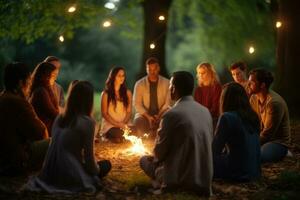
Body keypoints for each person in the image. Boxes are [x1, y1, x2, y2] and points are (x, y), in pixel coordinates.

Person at [25, 81, 111, 194]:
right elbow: (89, 158)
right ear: (88, 100)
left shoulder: (60, 118)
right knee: (106, 165)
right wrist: (96, 170)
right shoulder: (87, 122)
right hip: (70, 171)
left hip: (51, 170)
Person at [140, 71, 213, 196]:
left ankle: (161, 183)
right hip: (204, 178)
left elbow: (159, 152)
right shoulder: (205, 111)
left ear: (174, 88)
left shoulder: (171, 114)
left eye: (170, 86)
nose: (169, 89)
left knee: (143, 160)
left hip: (179, 179)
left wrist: (156, 158)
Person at [0, 62, 49, 176]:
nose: (30, 85)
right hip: (16, 159)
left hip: (4, 156)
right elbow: (40, 132)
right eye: (29, 81)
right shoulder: (17, 102)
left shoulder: (3, 97)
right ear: (20, 82)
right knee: (55, 142)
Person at [213, 82, 261, 182]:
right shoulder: (253, 116)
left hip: (237, 173)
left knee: (200, 157)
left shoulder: (227, 117)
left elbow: (215, 150)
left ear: (225, 99)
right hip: (255, 172)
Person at [248, 68, 291, 163]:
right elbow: (251, 122)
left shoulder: (274, 103)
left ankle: (283, 152)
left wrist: (249, 143)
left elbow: (267, 135)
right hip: (261, 138)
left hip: (276, 142)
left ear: (262, 85)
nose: (248, 85)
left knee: (255, 157)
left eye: (252, 82)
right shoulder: (253, 98)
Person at [133, 57, 171, 135]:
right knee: (138, 121)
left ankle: (162, 137)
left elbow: (167, 103)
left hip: (162, 113)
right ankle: (145, 137)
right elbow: (137, 104)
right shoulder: (139, 84)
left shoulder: (167, 83)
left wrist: (158, 115)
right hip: (144, 114)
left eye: (154, 69)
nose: (152, 72)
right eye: (149, 69)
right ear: (146, 69)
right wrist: (148, 117)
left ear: (159, 68)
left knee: (169, 118)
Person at [99, 67, 132, 143]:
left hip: (124, 124)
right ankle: (108, 136)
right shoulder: (105, 94)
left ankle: (117, 138)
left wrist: (123, 124)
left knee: (136, 130)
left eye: (123, 75)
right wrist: (117, 124)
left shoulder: (128, 93)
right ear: (113, 77)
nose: (122, 78)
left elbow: (129, 112)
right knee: (118, 133)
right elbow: (104, 114)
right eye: (119, 75)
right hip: (110, 125)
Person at [29, 62, 60, 135]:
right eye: (53, 75)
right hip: (44, 133)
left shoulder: (45, 89)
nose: (55, 78)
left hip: (47, 130)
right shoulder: (41, 92)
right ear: (46, 76)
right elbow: (53, 113)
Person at [194, 62, 222, 127]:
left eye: (203, 73)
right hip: (200, 120)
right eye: (199, 73)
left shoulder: (216, 87)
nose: (201, 75)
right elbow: (196, 107)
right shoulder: (198, 89)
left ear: (210, 73)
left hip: (213, 120)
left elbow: (215, 108)